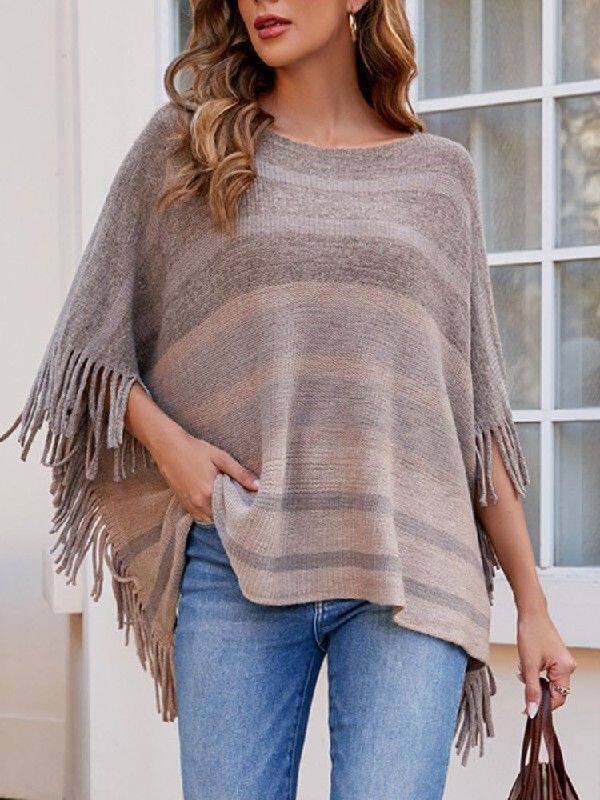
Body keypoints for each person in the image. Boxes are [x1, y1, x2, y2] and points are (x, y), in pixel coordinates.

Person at [2, 1, 576, 798]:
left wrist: (532, 605)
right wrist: (172, 449)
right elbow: (87, 344)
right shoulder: (189, 147)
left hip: (408, 564)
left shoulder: (439, 178)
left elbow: (475, 414)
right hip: (238, 555)